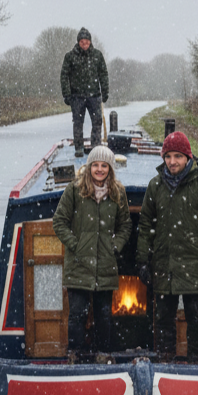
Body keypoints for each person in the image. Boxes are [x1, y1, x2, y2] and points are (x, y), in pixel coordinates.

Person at [135, 131, 198, 361]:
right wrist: (142, 260)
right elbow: (146, 224)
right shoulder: (155, 185)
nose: (172, 162)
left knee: (196, 317)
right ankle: (165, 359)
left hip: (195, 265)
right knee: (163, 318)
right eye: (168, 156)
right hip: (164, 264)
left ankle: (196, 360)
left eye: (177, 156)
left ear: (188, 157)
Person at [52, 144, 132, 357]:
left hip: (105, 265)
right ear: (89, 167)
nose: (99, 169)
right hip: (78, 265)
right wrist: (76, 245)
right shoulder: (75, 190)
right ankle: (75, 355)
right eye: (95, 165)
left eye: (103, 165)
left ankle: (102, 355)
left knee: (104, 315)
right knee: (77, 314)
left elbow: (125, 225)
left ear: (110, 168)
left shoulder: (118, 192)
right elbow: (59, 221)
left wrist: (115, 246)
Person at [60, 27, 110, 158]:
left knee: (97, 122)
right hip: (77, 97)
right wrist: (66, 94)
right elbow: (64, 76)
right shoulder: (70, 57)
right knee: (78, 123)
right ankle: (79, 149)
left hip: (94, 96)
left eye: (87, 41)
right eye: (82, 41)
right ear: (78, 42)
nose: (85, 44)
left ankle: (96, 148)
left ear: (90, 42)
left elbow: (103, 74)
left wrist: (105, 92)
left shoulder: (97, 55)